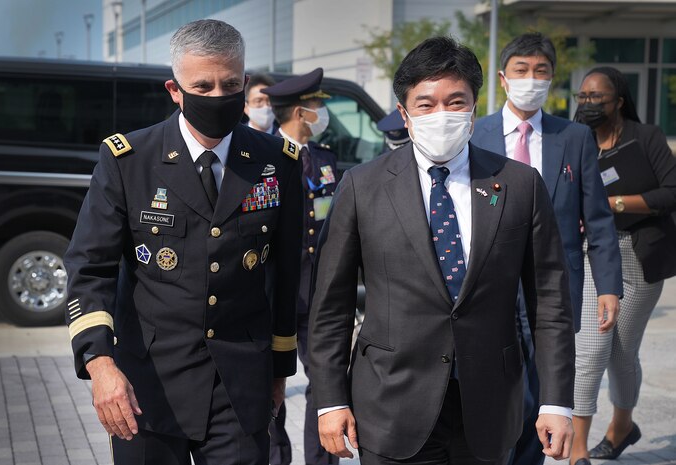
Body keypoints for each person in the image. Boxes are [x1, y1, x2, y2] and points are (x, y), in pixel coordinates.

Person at [308, 35, 576, 465]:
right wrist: (329, 401)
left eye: (455, 102)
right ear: (405, 113)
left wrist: (558, 402)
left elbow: (551, 303)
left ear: (474, 106)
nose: (441, 114)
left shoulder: (520, 184)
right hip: (390, 404)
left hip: (489, 405)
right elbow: (330, 307)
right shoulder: (362, 186)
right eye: (426, 104)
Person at [64, 19, 303, 465]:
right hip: (147, 388)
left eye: (230, 84)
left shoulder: (278, 162)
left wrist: (279, 370)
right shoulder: (129, 160)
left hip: (240, 387)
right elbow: (88, 268)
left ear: (246, 82)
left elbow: (287, 278)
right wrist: (100, 365)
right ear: (175, 90)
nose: (218, 96)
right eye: (203, 86)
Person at [470, 32, 623, 465]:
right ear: (503, 78)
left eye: (541, 72)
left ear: (552, 80)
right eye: (522, 70)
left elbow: (597, 216)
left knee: (546, 391)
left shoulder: (573, 137)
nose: (531, 79)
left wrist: (609, 285)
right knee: (500, 383)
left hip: (555, 284)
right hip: (492, 280)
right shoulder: (475, 133)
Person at [569, 66, 676, 465]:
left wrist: (614, 202)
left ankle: (621, 427)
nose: (589, 104)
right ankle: (578, 451)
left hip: (640, 255)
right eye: (583, 97)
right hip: (594, 253)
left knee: (620, 353)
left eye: (597, 97)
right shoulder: (576, 140)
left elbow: (671, 191)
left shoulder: (644, 137)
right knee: (591, 350)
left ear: (618, 100)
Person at [261, 68, 339, 465]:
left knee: (325, 381)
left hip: (319, 290)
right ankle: (276, 459)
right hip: (273, 293)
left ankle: (321, 459)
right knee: (267, 381)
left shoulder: (325, 159)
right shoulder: (260, 155)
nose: (321, 112)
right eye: (316, 106)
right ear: (298, 111)